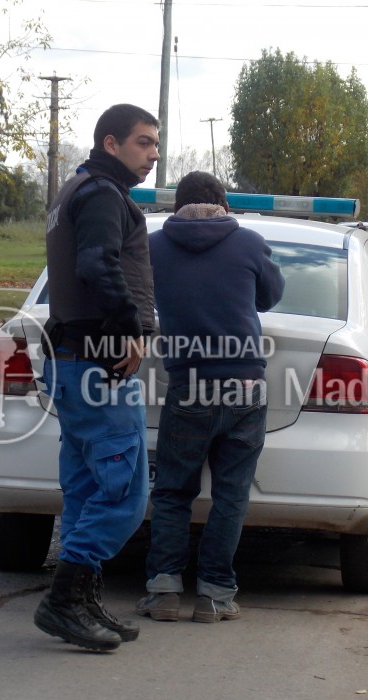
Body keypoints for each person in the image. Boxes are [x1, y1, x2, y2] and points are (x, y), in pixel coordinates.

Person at [33, 103, 160, 652]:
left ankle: (82, 603)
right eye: (142, 143)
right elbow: (96, 264)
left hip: (73, 359)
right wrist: (129, 327)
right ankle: (64, 600)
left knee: (86, 487)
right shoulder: (104, 196)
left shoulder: (76, 190)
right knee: (126, 494)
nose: (153, 154)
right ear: (110, 144)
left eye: (155, 144)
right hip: (99, 362)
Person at [136, 171, 285, 624]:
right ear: (224, 203)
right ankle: (216, 596)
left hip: (190, 384)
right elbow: (271, 296)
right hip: (244, 383)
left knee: (173, 491)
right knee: (231, 494)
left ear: (176, 205)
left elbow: (139, 296)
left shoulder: (154, 247)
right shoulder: (249, 243)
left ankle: (164, 590)